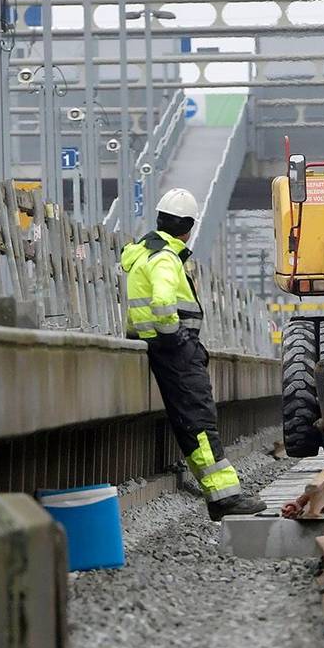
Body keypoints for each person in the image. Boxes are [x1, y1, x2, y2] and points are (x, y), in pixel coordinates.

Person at [121, 187, 267, 521]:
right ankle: (224, 498)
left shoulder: (141, 253)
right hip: (174, 351)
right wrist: (176, 338)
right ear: (188, 227)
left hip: (157, 346)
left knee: (193, 422)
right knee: (200, 423)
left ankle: (222, 496)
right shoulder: (165, 259)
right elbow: (161, 302)